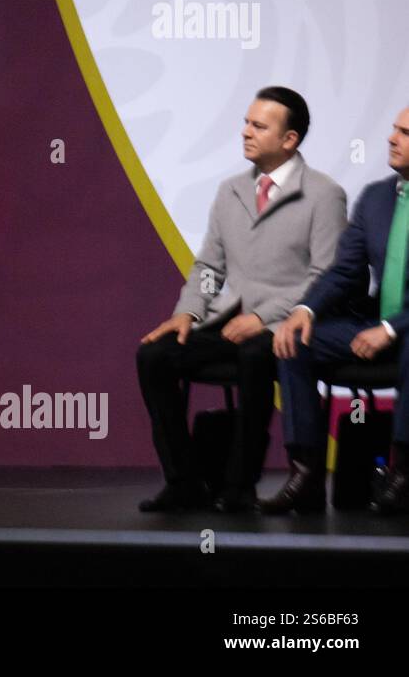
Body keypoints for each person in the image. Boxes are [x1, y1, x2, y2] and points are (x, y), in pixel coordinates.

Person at [136, 88, 347, 512]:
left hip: (284, 327)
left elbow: (325, 276)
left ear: (289, 140)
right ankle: (185, 481)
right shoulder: (230, 191)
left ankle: (238, 487)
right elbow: (211, 271)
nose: (245, 132)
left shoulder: (324, 194)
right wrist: (189, 312)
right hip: (229, 321)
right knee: (155, 356)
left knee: (255, 357)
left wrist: (266, 316)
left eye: (258, 126)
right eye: (246, 123)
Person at [266, 107, 409, 514]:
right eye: (393, 128)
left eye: (405, 132)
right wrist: (306, 309)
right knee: (295, 340)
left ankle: (402, 474)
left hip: (402, 329)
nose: (392, 138)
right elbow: (346, 270)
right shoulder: (377, 197)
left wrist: (392, 328)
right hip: (374, 325)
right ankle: (306, 473)